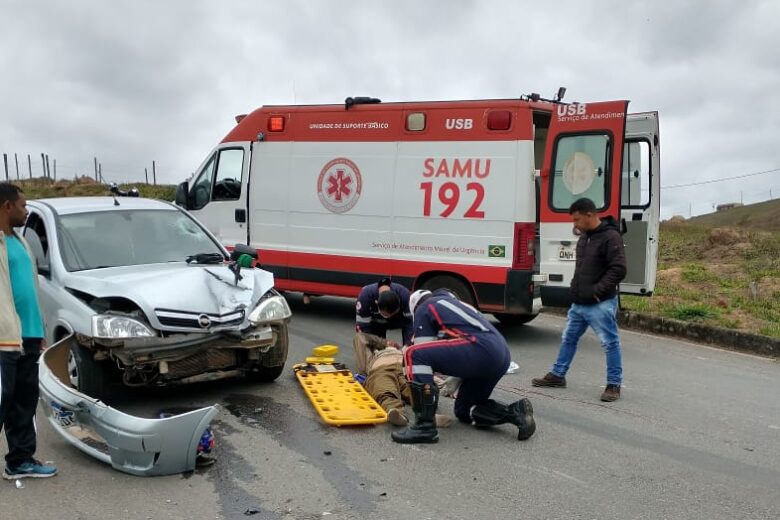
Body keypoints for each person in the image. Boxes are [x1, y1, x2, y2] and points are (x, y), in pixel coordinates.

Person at [391, 288, 536, 444]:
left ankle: (424, 427)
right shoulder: (454, 306)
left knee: (413, 354)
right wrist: (457, 377)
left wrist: (424, 394)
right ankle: (516, 412)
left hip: (482, 348)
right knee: (464, 411)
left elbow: (422, 353)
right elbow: (458, 348)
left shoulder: (425, 308)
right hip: (500, 353)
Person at [532, 197, 627, 402]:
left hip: (600, 303)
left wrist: (597, 291)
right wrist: (575, 292)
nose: (574, 225)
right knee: (568, 339)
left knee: (610, 343)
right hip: (579, 303)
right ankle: (557, 376)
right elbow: (581, 268)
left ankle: (613, 385)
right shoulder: (585, 236)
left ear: (590, 215)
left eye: (576, 220)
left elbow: (619, 269)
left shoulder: (611, 237)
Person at [0, 182, 57, 479]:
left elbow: (30, 288)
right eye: (22, 205)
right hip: (4, 337)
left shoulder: (20, 241)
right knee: (2, 398)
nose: (27, 210)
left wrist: (40, 329)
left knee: (24, 400)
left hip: (29, 335)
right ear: (7, 206)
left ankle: (20, 460)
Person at [352, 333, 453, 428]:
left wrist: (438, 382)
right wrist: (385, 343)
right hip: (382, 368)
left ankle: (429, 415)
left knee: (418, 388)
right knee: (384, 390)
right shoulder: (374, 354)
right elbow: (360, 337)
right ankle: (397, 413)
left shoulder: (406, 350)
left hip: (406, 368)